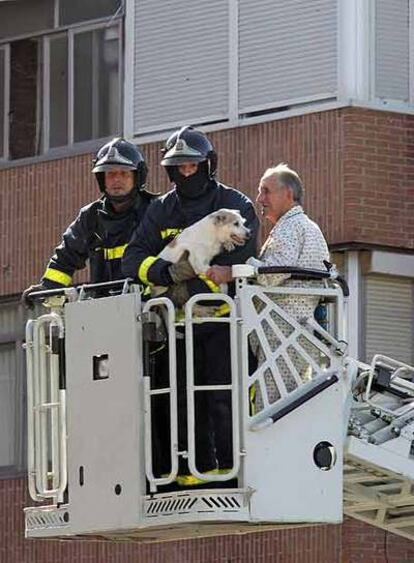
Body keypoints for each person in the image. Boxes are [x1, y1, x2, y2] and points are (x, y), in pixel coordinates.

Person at [122, 126, 259, 486]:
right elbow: (133, 258)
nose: (186, 173)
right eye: (179, 167)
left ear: (207, 165)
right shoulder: (160, 210)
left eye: (192, 166)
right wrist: (166, 273)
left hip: (221, 322)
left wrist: (192, 286)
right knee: (181, 400)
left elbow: (241, 256)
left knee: (221, 395)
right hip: (177, 326)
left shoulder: (235, 205)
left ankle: (230, 472)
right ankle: (190, 473)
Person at [22, 138, 155, 302]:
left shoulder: (155, 210)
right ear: (102, 179)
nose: (117, 180)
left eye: (124, 173)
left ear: (137, 176)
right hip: (102, 309)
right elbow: (66, 257)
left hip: (151, 308)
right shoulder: (91, 217)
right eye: (111, 174)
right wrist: (47, 288)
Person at [247, 163, 330, 405]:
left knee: (273, 408)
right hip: (293, 331)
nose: (259, 198)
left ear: (288, 195)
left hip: (282, 333)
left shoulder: (292, 227)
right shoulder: (303, 227)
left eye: (266, 191)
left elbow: (272, 274)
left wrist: (241, 268)